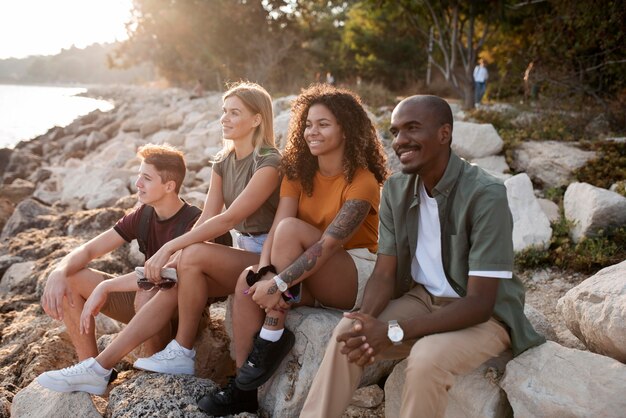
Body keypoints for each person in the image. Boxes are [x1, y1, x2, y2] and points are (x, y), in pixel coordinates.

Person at [300, 95, 545, 417]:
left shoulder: (486, 194)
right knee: (349, 333)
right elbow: (385, 274)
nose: (401, 141)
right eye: (396, 131)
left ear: (444, 133)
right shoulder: (397, 190)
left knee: (427, 357)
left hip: (485, 316)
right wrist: (368, 320)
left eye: (412, 129)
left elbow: (480, 303)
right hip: (423, 299)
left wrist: (393, 331)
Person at [37, 81, 282, 395]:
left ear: (257, 119)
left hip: (268, 256)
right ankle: (92, 371)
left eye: (235, 112)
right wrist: (61, 271)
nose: (224, 118)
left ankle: (109, 366)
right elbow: (210, 216)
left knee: (175, 270)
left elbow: (229, 219)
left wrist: (171, 248)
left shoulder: (269, 161)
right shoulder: (223, 161)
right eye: (224, 111)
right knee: (148, 272)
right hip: (229, 261)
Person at [199, 84, 389, 416]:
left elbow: (329, 244)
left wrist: (278, 284)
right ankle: (244, 386)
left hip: (353, 275)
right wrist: (266, 273)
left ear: (347, 129)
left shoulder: (363, 180)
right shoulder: (299, 172)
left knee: (289, 233)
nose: (312, 132)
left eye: (324, 124)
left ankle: (274, 323)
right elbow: (277, 228)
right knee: (247, 281)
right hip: (307, 270)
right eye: (308, 124)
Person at [37, 143, 200, 393]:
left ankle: (155, 375)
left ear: (169, 186)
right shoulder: (144, 215)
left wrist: (107, 285)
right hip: (145, 300)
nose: (137, 184)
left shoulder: (193, 221)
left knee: (148, 292)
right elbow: (90, 250)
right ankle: (89, 372)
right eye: (138, 176)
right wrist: (58, 271)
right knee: (72, 277)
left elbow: (162, 276)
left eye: (146, 178)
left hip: (181, 311)